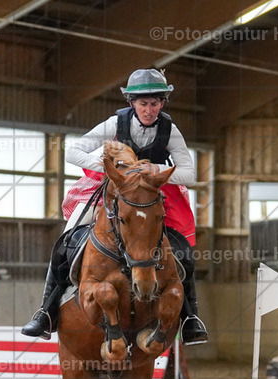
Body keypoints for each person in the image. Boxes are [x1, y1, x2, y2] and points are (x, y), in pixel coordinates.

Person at [21, 68, 208, 344]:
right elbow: (72, 151)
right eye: (143, 103)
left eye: (154, 103)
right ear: (132, 102)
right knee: (65, 241)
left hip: (151, 198)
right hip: (111, 192)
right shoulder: (115, 123)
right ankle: (45, 312)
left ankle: (191, 317)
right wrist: (112, 169)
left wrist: (152, 169)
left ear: (162, 103)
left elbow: (190, 174)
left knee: (182, 250)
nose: (149, 110)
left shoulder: (170, 130)